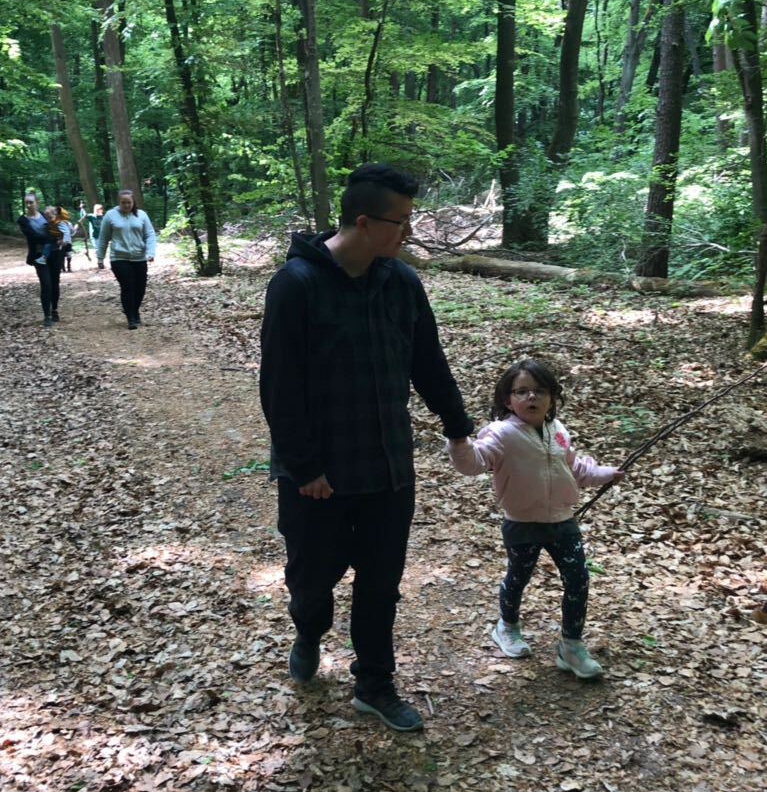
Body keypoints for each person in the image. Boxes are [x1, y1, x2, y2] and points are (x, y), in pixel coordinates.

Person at [259, 163, 473, 734]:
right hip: (317, 476)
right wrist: (305, 466)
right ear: (363, 222)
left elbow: (428, 362)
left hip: (386, 466)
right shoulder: (296, 285)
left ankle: (374, 684)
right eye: (400, 221)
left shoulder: (401, 282)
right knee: (312, 581)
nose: (408, 232)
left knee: (380, 585)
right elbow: (280, 387)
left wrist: (458, 428)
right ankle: (308, 630)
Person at [447, 358, 624, 679]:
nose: (532, 397)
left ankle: (571, 646)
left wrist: (605, 473)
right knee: (519, 577)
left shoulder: (558, 431)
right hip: (522, 523)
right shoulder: (502, 434)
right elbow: (473, 462)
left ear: (552, 397)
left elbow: (574, 468)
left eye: (540, 391)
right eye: (522, 391)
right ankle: (507, 627)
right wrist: (459, 440)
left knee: (578, 578)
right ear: (508, 400)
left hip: (562, 520)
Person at [96, 190, 156, 329]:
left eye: (129, 202)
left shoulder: (141, 215)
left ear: (133, 202)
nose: (126, 205)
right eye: (123, 202)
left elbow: (150, 234)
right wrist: (100, 257)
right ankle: (131, 318)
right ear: (119, 202)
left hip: (139, 257)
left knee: (140, 288)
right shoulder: (110, 215)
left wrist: (150, 252)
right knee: (127, 286)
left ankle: (134, 311)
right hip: (119, 258)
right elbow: (103, 237)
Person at [17, 192, 63, 328]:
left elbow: (59, 226)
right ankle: (47, 315)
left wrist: (62, 237)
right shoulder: (23, 220)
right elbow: (32, 237)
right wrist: (53, 238)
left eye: (31, 202)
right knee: (46, 284)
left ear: (37, 202)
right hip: (38, 255)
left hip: (55, 253)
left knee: (55, 282)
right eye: (27, 202)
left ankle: (54, 310)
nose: (29, 205)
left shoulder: (46, 215)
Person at [54, 204, 74, 272]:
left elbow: (72, 231)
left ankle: (65, 267)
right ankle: (66, 267)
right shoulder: (67, 223)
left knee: (63, 255)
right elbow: (72, 232)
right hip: (65, 241)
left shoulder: (57, 223)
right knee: (66, 254)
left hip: (63, 241)